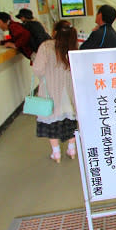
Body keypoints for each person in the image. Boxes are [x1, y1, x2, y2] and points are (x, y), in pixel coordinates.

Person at [32, 20, 78, 163]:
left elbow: (38, 69)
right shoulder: (74, 48)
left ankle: (56, 153)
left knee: (52, 122)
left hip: (51, 91)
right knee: (70, 121)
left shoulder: (46, 47)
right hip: (70, 93)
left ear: (55, 32)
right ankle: (72, 149)